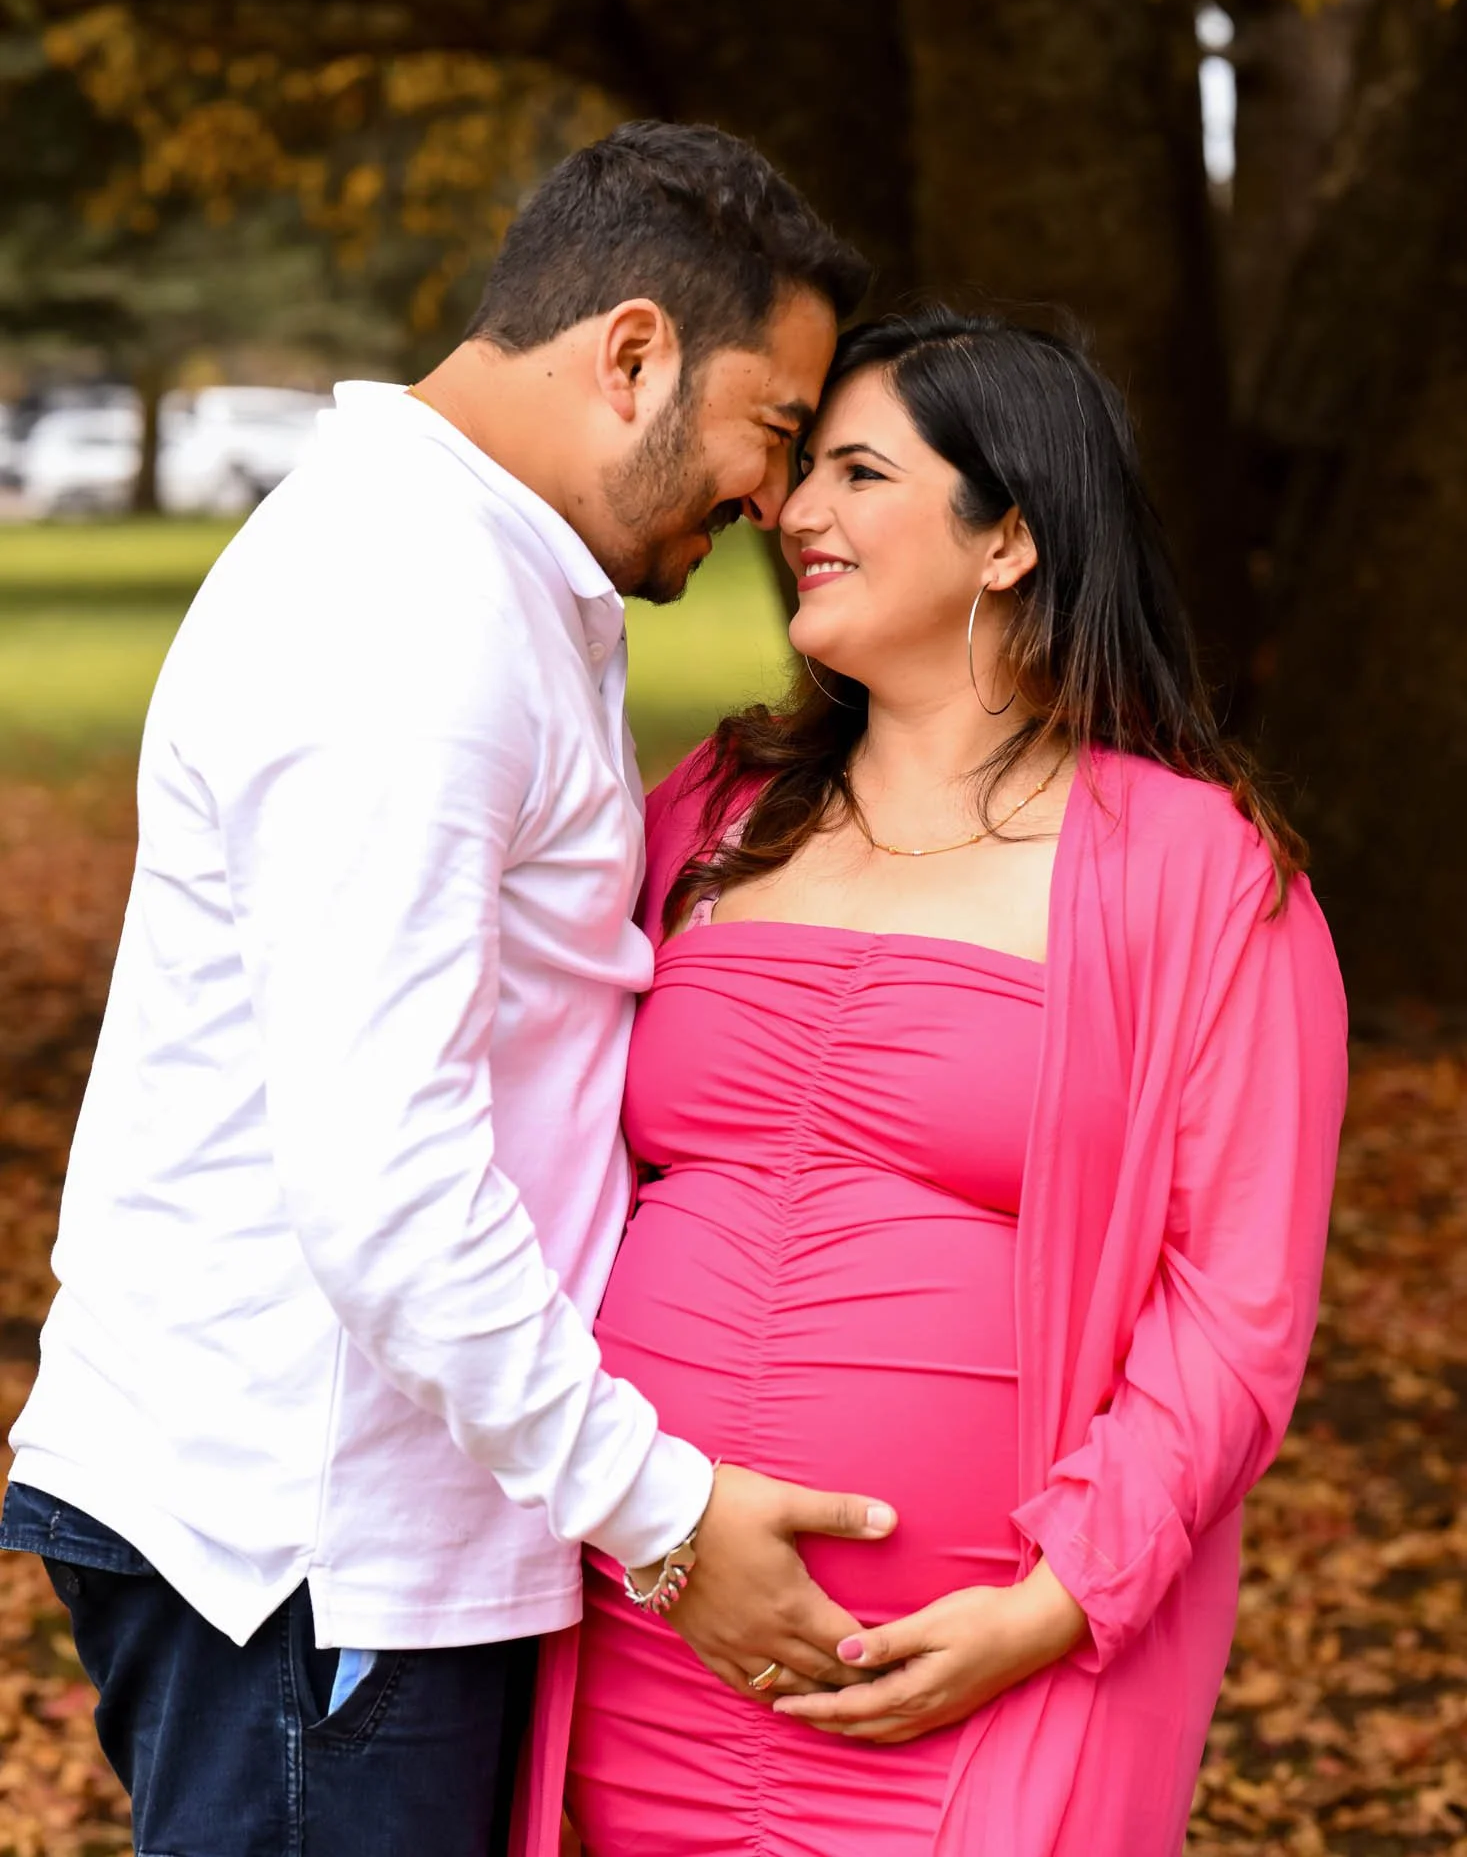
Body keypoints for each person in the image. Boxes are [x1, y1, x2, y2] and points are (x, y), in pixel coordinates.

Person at [0, 121, 893, 1857]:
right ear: (631, 353)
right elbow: (383, 1178)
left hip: (364, 1534)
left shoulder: (487, 568)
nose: (779, 506)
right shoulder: (411, 613)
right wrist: (663, 1518)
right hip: (318, 1556)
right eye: (772, 433)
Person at [546, 306, 1349, 1857]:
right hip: (648, 1623)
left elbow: (1236, 1306)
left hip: (978, 1672)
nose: (790, 513)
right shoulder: (707, 814)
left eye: (856, 472)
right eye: (799, 472)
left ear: (1008, 543)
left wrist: (1053, 1607)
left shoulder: (1196, 874)